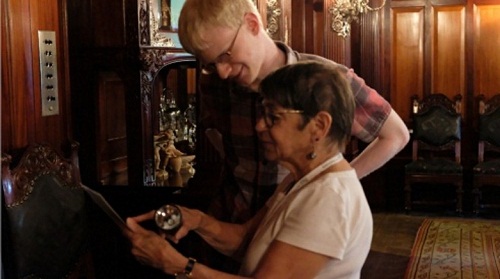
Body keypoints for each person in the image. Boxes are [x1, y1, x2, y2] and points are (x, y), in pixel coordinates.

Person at [125, 61, 373, 278]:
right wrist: (198, 220)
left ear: (318, 126)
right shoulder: (301, 179)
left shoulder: (329, 198)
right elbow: (246, 240)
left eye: (273, 117)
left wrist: (176, 265)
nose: (259, 126)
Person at [178, 0, 409, 223]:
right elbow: (213, 132)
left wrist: (335, 181)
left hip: (301, 225)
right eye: (210, 64)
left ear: (252, 24)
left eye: (224, 56)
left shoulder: (326, 80)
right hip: (231, 220)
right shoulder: (214, 84)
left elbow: (395, 135)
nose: (222, 73)